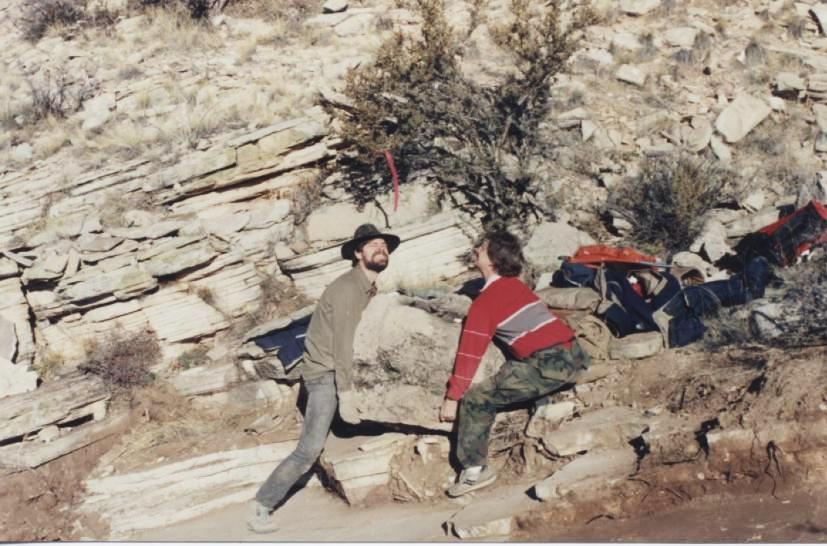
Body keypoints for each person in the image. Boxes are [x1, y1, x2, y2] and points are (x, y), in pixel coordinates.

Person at [247, 223, 400, 533]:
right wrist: (346, 392)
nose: (380, 249)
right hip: (325, 375)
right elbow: (342, 343)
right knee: (309, 448)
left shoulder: (367, 287)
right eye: (372, 245)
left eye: (384, 245)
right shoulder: (347, 289)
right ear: (358, 254)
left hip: (340, 368)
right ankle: (261, 505)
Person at [439, 230, 591, 497]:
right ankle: (541, 397)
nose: (476, 250)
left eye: (481, 248)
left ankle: (475, 471)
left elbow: (469, 354)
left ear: (492, 260)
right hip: (576, 355)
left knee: (476, 399)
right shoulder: (516, 286)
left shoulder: (484, 304)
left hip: (549, 365)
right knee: (512, 368)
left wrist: (453, 397)